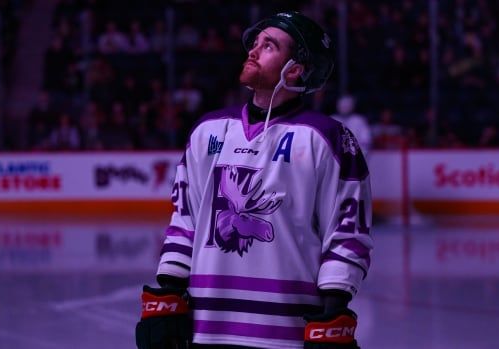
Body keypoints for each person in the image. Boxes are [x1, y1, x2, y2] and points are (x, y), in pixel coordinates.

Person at [136, 11, 373, 349]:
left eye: (269, 45)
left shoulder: (328, 139)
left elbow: (348, 232)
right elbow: (185, 219)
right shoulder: (208, 131)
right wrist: (169, 289)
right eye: (255, 43)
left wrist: (334, 309)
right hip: (207, 326)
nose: (252, 51)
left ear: (295, 70)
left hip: (288, 330)